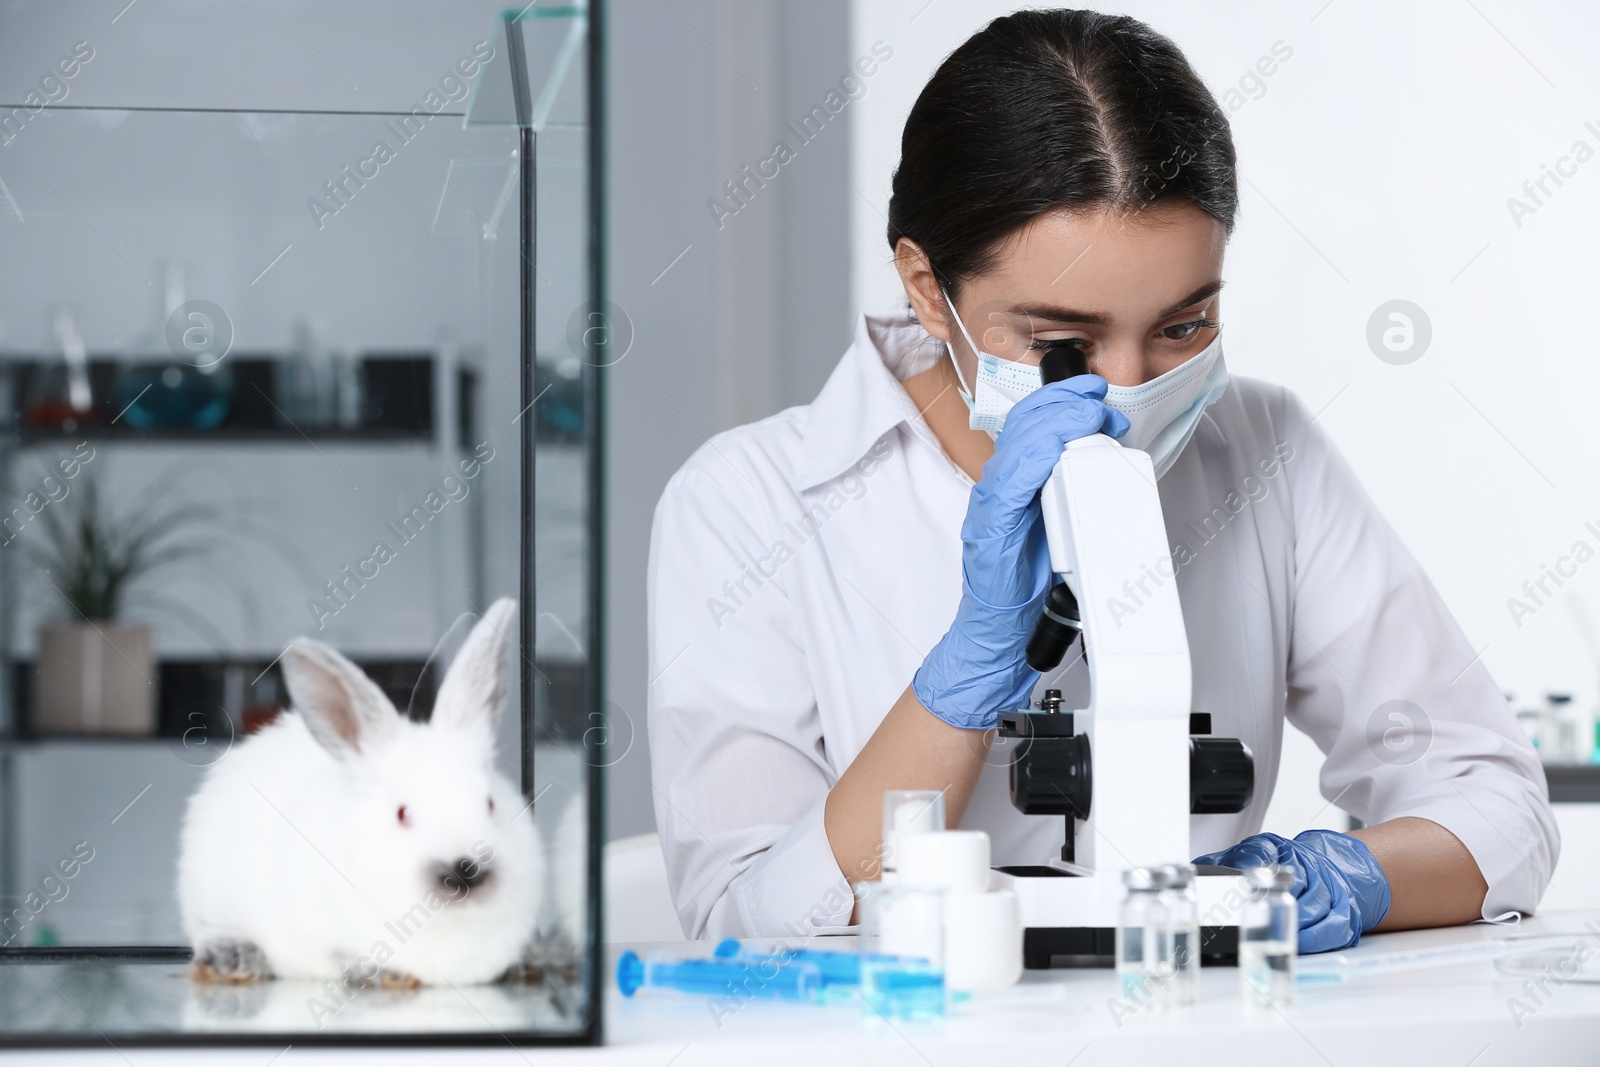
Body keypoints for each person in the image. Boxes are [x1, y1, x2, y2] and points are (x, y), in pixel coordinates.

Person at [646, 8, 1557, 952]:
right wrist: (960, 682)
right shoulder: (748, 503)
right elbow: (744, 923)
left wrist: (1341, 875)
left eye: (1182, 325)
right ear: (926, 286)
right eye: (1059, 342)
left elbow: (1495, 803)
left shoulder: (1264, 449)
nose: (1127, 390)